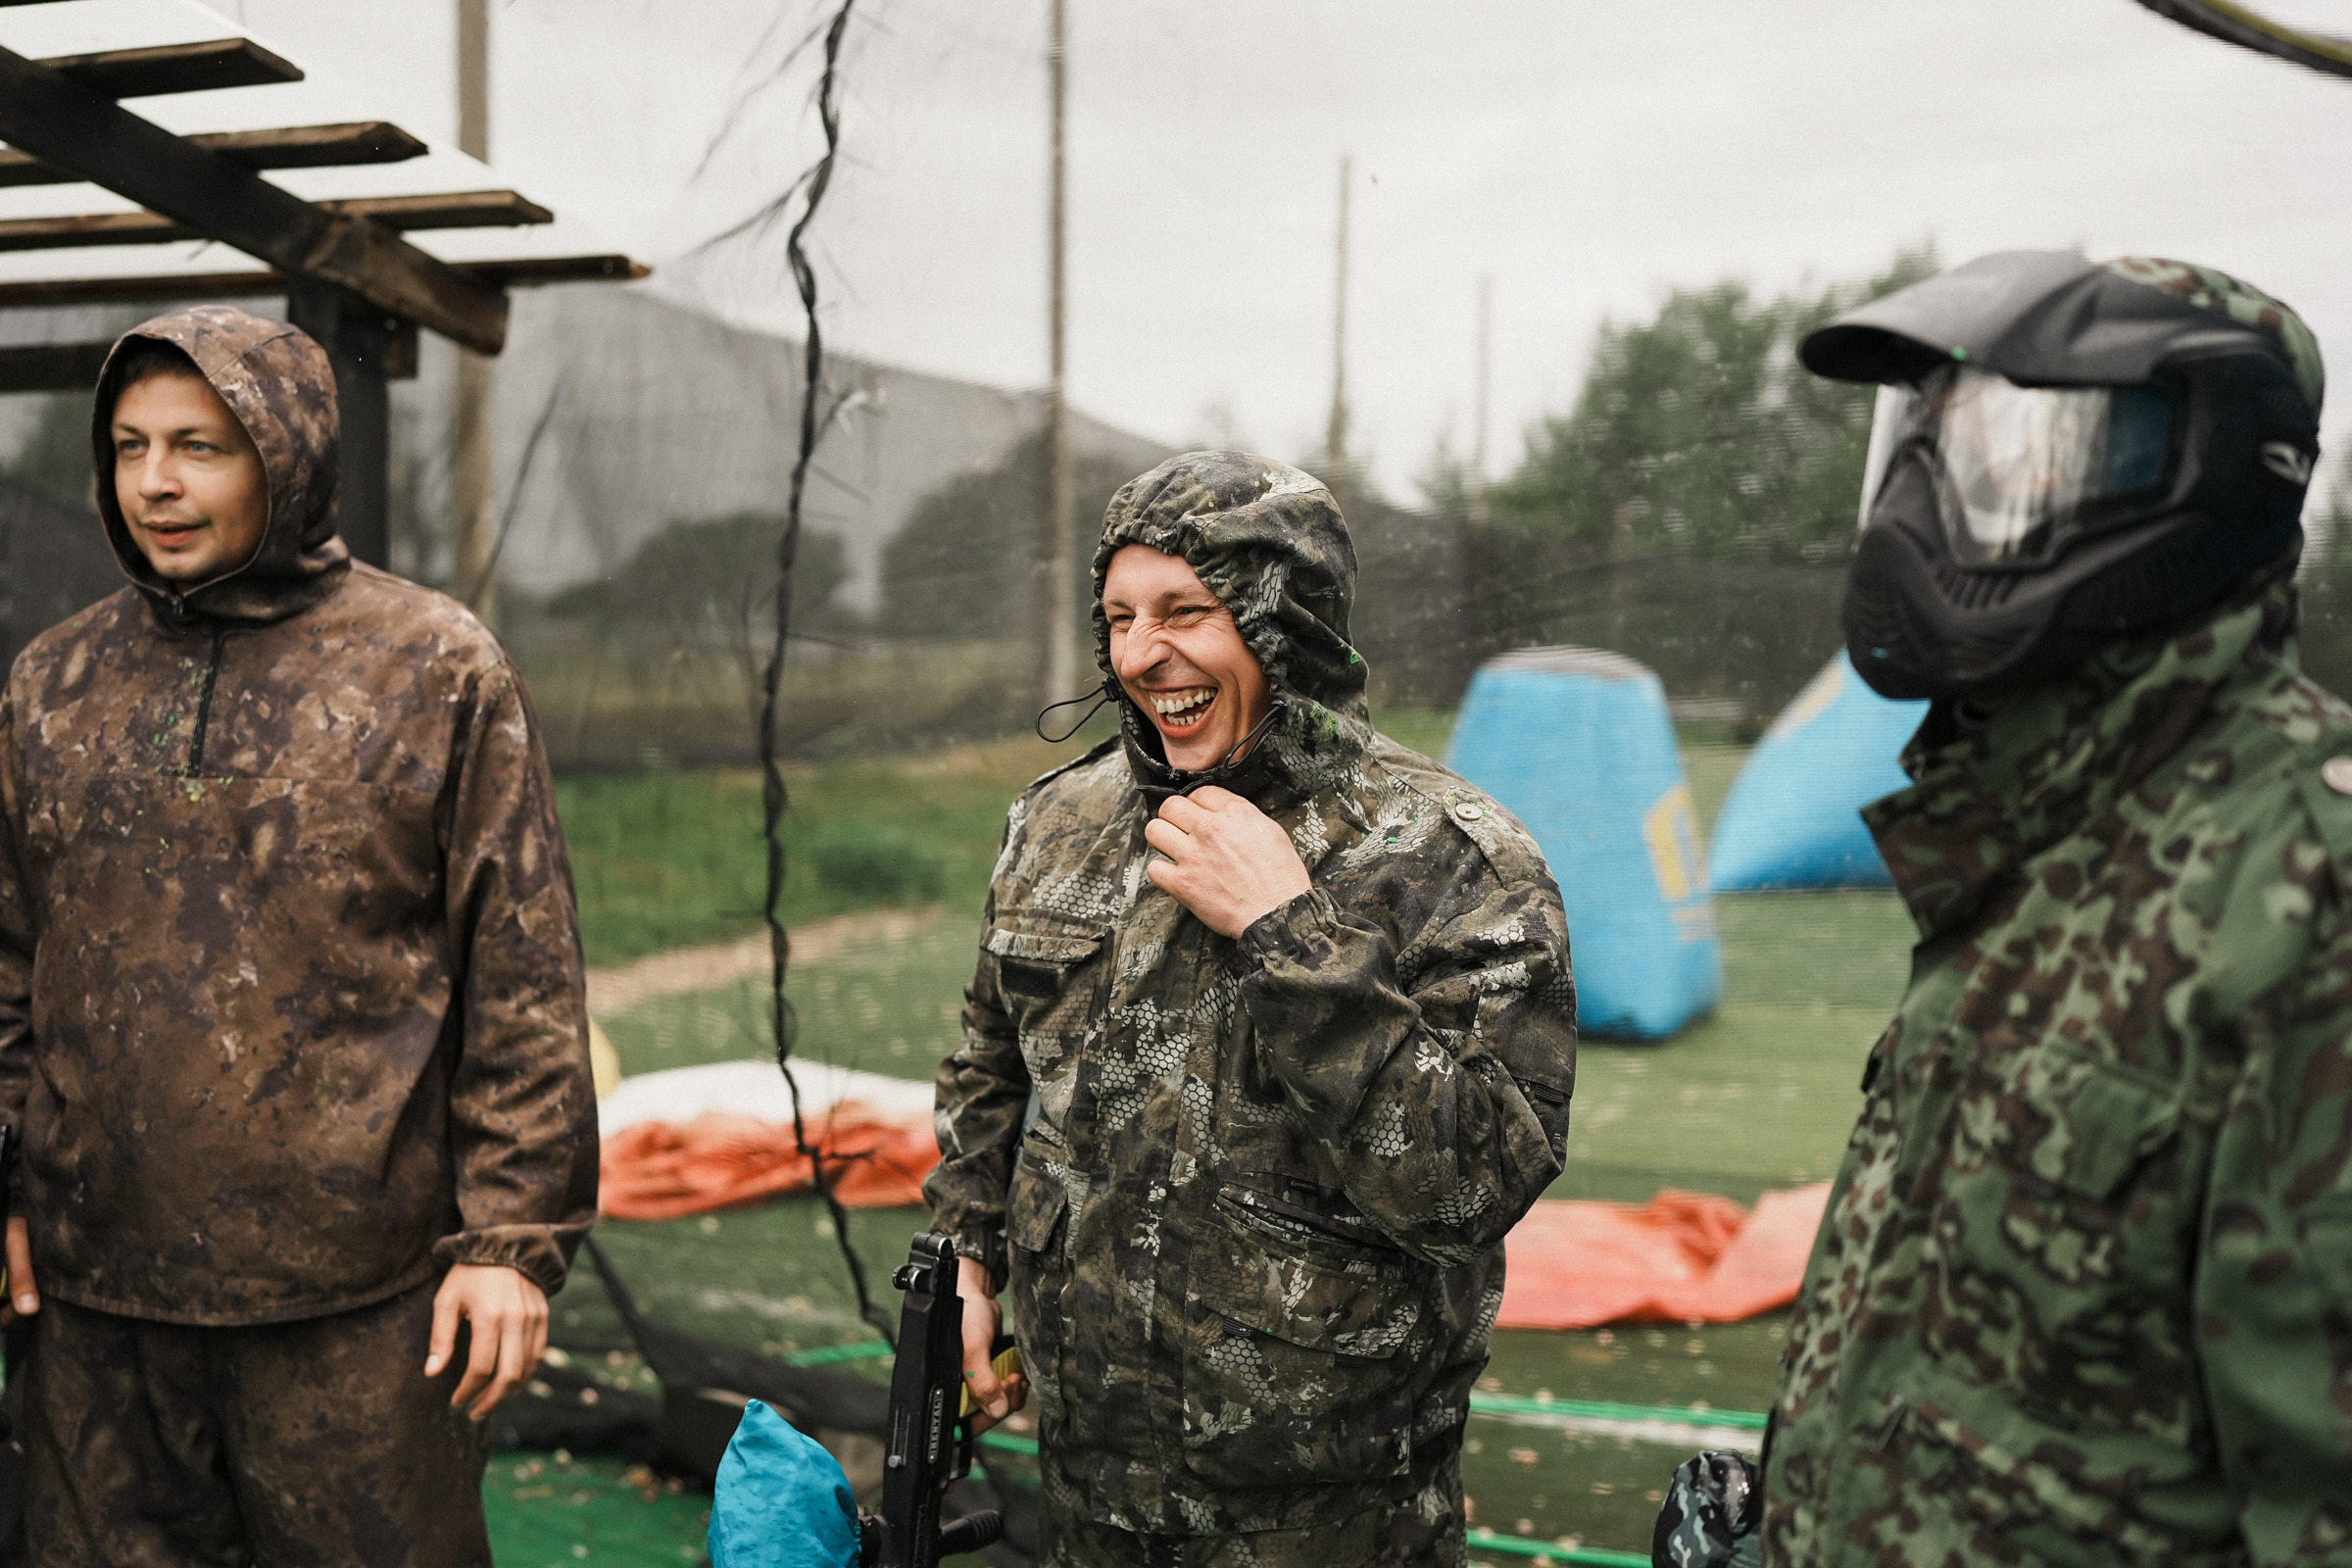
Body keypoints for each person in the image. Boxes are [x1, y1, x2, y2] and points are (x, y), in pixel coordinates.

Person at [1759, 253, 2349, 1563]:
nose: (1923, 511)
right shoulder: (2035, 826)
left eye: (2013, 446)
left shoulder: (2307, 883)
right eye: (1921, 445)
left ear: (2210, 472)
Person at [0, 304, 598, 1564]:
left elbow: (523, 974)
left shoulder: (433, 668)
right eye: (127, 445)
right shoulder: (51, 684)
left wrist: (511, 1242)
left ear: (291, 452)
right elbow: (8, 962)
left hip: (359, 1315)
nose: (155, 482)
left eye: (201, 446)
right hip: (94, 1313)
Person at [925, 451, 1578, 1565]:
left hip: (1329, 1527)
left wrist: (1288, 930)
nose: (1141, 654)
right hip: (1086, 1501)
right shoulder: (1058, 823)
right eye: (1120, 615)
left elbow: (1471, 1184)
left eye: (1188, 610)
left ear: (1292, 625)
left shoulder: (1455, 860)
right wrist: (962, 1259)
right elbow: (993, 1064)